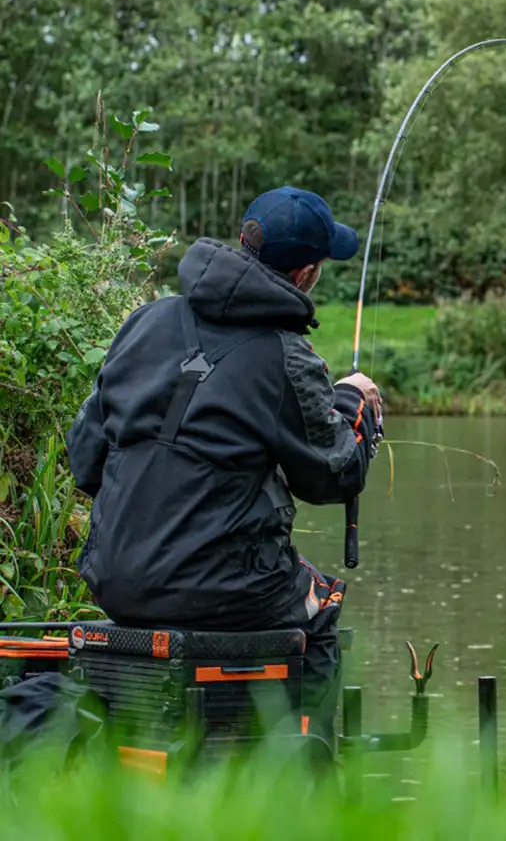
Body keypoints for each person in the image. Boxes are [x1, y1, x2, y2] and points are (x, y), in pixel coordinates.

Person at [65, 186, 382, 733]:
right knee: (320, 607)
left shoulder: (146, 322)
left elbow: (84, 458)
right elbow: (334, 475)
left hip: (114, 578)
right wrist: (353, 402)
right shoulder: (286, 355)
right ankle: (309, 781)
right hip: (226, 588)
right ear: (307, 274)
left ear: (242, 240)